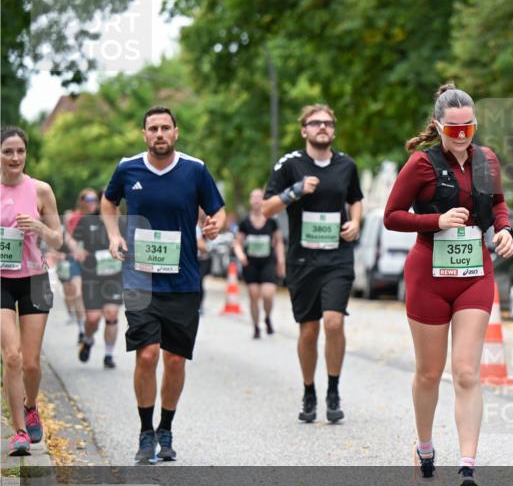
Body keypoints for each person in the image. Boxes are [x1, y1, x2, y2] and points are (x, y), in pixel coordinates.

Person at [383, 84, 513, 486]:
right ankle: (425, 453)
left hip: (475, 272)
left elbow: (497, 204)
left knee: (466, 372)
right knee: (428, 372)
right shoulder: (421, 164)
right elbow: (391, 216)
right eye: (454, 128)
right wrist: (435, 221)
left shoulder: (487, 160)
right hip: (429, 276)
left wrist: (505, 229)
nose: (462, 135)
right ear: (438, 126)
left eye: (468, 127)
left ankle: (468, 469)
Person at [101, 107, 226, 464]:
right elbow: (109, 202)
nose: (159, 134)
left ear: (176, 132)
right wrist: (113, 236)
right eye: (153, 128)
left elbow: (218, 210)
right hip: (140, 279)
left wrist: (215, 225)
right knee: (147, 354)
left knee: (173, 360)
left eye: (165, 128)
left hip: (184, 280)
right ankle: (145, 431)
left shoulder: (195, 169)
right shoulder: (128, 168)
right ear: (143, 133)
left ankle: (166, 428)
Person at [262, 104, 362, 424]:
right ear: (303, 129)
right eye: (315, 123)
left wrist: (356, 222)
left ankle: (333, 389)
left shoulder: (346, 165)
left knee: (333, 322)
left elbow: (356, 199)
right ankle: (309, 391)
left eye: (328, 123)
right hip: (303, 258)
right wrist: (295, 191)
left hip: (337, 255)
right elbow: (266, 208)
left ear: (334, 130)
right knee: (309, 329)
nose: (323, 127)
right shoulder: (290, 165)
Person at [1, 126, 63, 455]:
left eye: (20, 151)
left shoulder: (41, 190)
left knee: (31, 363)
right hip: (1, 280)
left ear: (26, 154)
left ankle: (31, 404)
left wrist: (39, 227)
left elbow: (58, 238)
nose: (14, 157)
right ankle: (20, 433)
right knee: (12, 357)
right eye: (8, 151)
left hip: (35, 279)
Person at [68, 190, 124, 369]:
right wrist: (77, 249)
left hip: (114, 278)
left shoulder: (123, 223)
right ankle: (89, 338)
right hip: (91, 277)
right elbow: (70, 238)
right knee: (92, 318)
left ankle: (108, 355)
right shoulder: (87, 220)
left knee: (112, 314)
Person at [234, 188, 285, 338]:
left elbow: (279, 241)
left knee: (268, 294)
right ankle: (256, 326)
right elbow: (237, 243)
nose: (256, 200)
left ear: (263, 200)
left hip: (268, 261)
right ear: (250, 201)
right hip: (251, 263)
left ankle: (267, 317)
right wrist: (240, 254)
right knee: (254, 296)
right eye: (253, 197)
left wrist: (281, 260)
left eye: (259, 197)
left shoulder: (271, 221)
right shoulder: (245, 222)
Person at [64, 191, 94, 340]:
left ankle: (89, 325)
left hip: (92, 262)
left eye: (94, 199)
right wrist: (76, 249)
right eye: (88, 199)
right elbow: (67, 236)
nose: (91, 202)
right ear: (81, 201)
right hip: (75, 259)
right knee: (77, 293)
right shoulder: (72, 217)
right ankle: (82, 329)